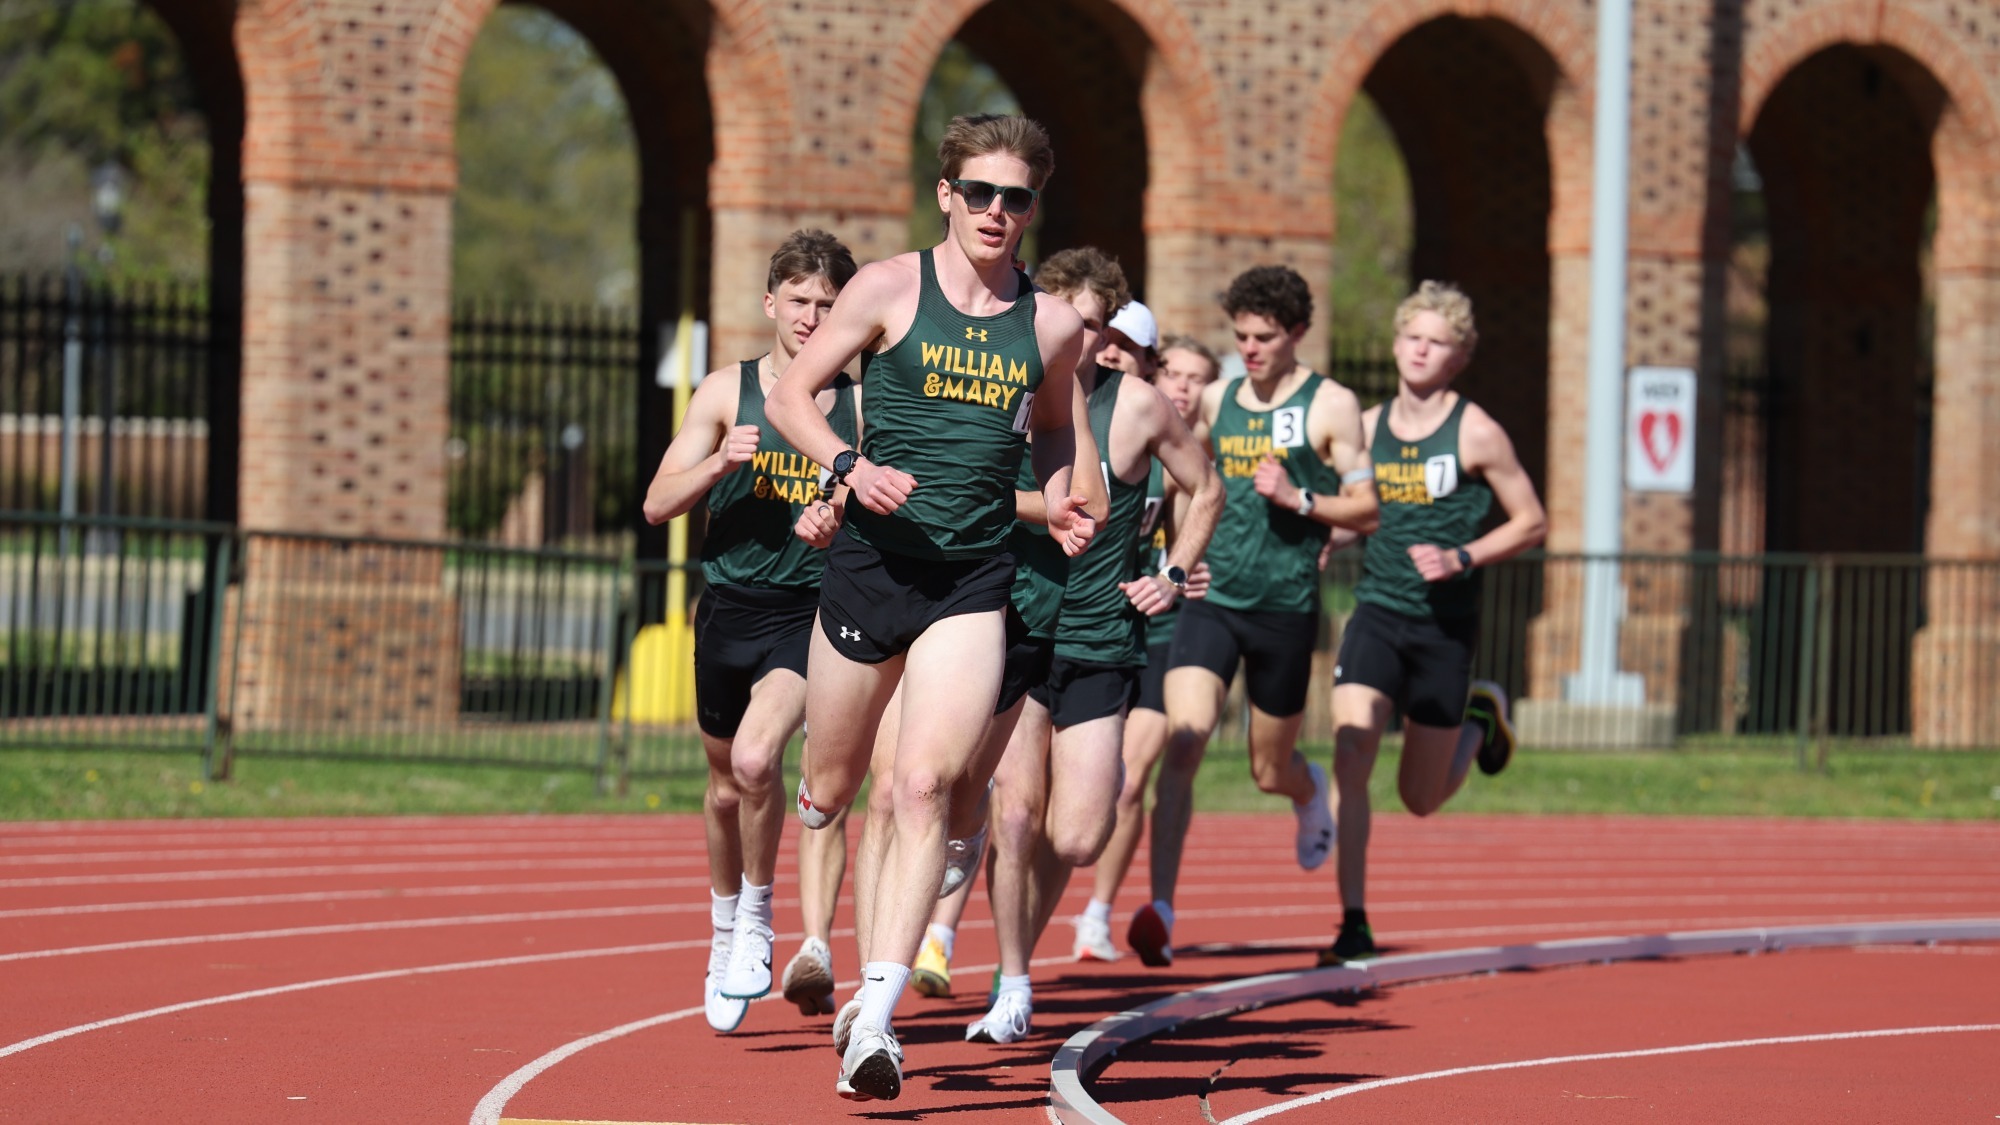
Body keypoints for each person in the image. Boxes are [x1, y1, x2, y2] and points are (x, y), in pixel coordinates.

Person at [764, 113, 1098, 1103]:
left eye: (1018, 198)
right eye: (982, 194)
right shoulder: (884, 289)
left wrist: (1067, 502)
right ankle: (816, 824)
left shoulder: (1047, 324)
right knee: (829, 784)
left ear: (1033, 207)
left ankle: (874, 1016)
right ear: (947, 195)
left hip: (969, 579)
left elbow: (1050, 437)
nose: (999, 213)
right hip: (870, 567)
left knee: (923, 790)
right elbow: (792, 394)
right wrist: (846, 466)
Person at [963, 267, 1223, 1045]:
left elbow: (1205, 489)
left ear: (1108, 334)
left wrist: (1173, 573)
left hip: (1102, 638)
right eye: (1066, 319)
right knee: (1015, 813)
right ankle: (1012, 979)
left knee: (1076, 835)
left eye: (1095, 326)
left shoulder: (1136, 406)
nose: (1080, 338)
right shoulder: (1006, 393)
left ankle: (1016, 938)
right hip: (1019, 624)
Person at [1128, 264, 1379, 968]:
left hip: (1285, 609)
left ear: (1298, 332)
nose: (1252, 349)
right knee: (1186, 737)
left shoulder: (1332, 405)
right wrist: (1182, 557)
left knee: (1269, 769)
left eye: (1265, 336)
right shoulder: (1215, 397)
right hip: (1212, 601)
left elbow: (1367, 508)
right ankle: (1163, 911)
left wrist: (1300, 499)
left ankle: (1308, 788)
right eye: (1241, 337)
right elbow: (1188, 476)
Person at [639, 230, 859, 1034]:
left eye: (828, 304)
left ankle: (760, 919)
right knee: (726, 787)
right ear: (771, 304)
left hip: (808, 614)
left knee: (759, 757)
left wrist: (841, 519)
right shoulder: (726, 392)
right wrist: (718, 466)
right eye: (799, 300)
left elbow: (885, 509)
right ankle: (724, 925)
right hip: (728, 607)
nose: (811, 315)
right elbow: (657, 502)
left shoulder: (862, 407)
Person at [1322, 281, 1545, 964]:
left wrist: (1462, 554)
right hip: (1378, 612)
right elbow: (1351, 507)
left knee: (1419, 798)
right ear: (1394, 345)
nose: (1420, 349)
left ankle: (1480, 720)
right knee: (1351, 753)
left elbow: (1532, 521)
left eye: (1436, 341)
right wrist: (1332, 535)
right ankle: (1352, 919)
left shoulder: (1476, 430)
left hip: (1443, 628)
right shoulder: (1365, 424)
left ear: (1459, 356)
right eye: (1411, 337)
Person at [1074, 331, 1221, 961]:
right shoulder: (1122, 429)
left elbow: (1197, 529)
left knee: (1134, 777)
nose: (1184, 388)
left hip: (1166, 629)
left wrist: (1183, 570)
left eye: (1197, 379)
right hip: (1100, 621)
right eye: (1176, 374)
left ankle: (1105, 913)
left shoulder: (1197, 453)